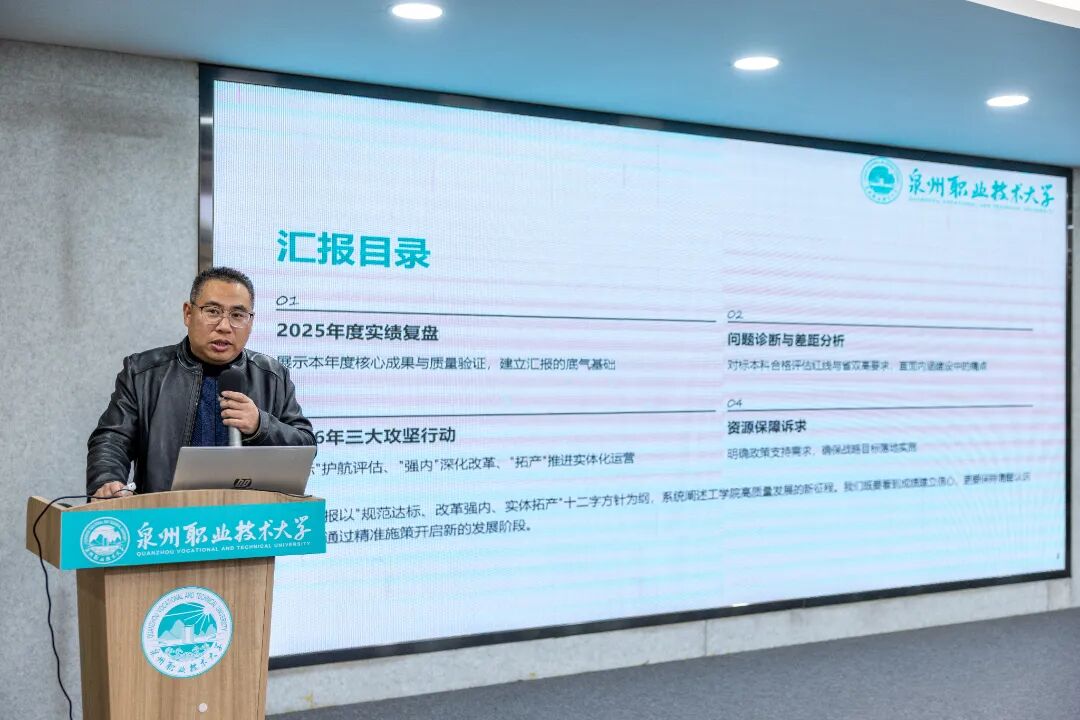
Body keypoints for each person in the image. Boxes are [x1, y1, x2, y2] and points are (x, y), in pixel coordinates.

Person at [87, 267, 315, 498]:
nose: (224, 326)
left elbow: (306, 445)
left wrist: (261, 425)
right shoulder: (143, 373)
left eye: (237, 315)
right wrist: (107, 480)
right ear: (188, 313)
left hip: (249, 514)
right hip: (169, 512)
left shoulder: (272, 376)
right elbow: (112, 439)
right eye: (213, 311)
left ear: (250, 321)